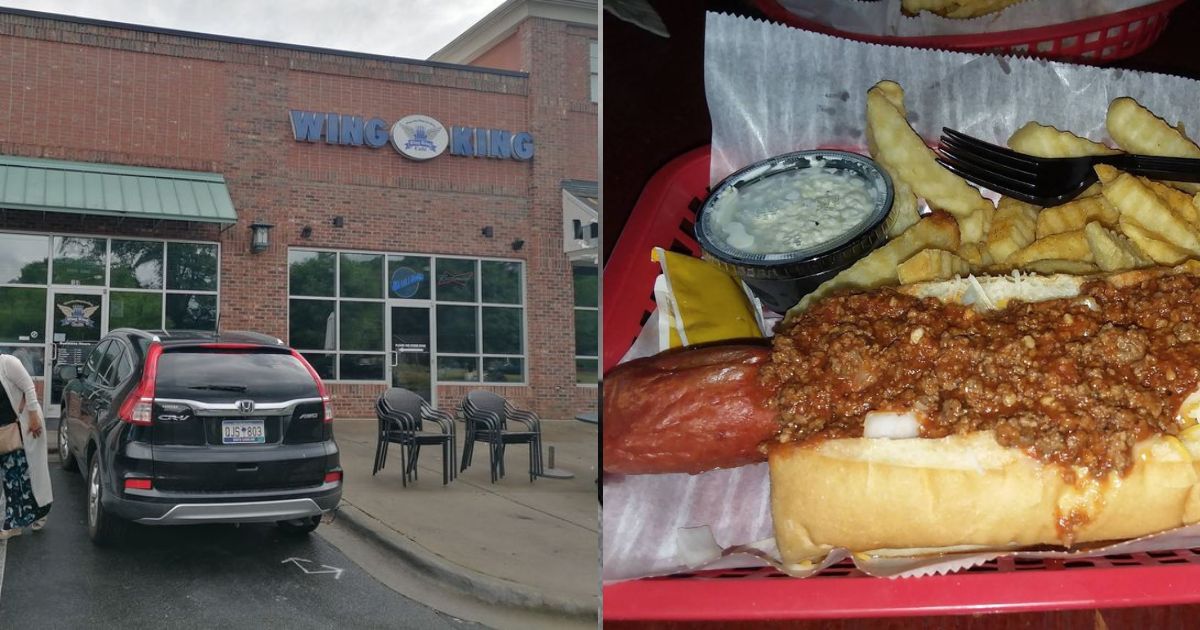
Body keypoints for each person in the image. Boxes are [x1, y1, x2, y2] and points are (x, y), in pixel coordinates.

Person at [0, 352, 51, 539]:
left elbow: (29, 388)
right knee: (12, 479)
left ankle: (39, 511)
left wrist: (34, 417)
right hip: (4, 432)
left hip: (25, 425)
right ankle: (17, 521)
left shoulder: (8, 363)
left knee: (26, 474)